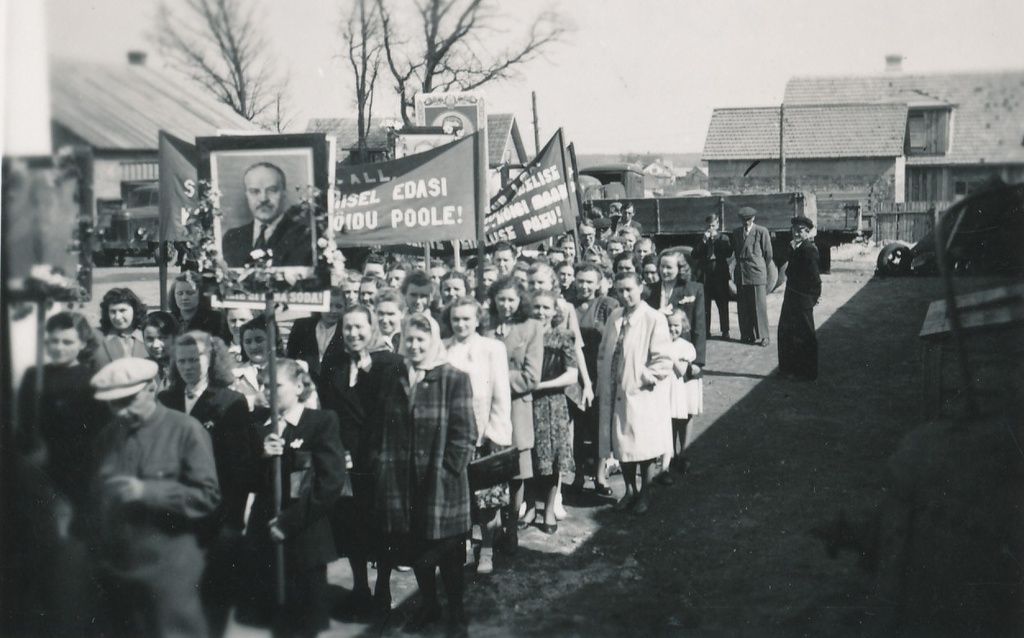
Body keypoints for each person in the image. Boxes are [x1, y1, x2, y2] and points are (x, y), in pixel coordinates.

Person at [88, 358, 220, 638]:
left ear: (152, 387)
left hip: (169, 570)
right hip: (119, 567)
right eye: (113, 404)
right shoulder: (108, 437)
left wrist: (148, 492)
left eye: (128, 400)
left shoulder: (186, 430)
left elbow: (207, 497)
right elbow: (96, 501)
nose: (121, 412)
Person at [375, 313, 476, 637]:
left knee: (447, 550)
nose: (415, 345)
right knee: (416, 549)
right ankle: (430, 604)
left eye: (421, 340)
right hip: (403, 482)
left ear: (432, 341)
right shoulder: (395, 376)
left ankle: (456, 610)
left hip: (440, 480)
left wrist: (449, 470)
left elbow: (465, 433)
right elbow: (384, 425)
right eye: (410, 339)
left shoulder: (453, 377)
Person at [239, 359, 346, 638]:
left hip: (305, 538)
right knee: (273, 622)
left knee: (305, 623)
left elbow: (330, 484)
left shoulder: (320, 422)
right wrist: (263, 456)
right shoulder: (256, 426)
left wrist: (289, 522)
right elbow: (245, 481)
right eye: (264, 385)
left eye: (276, 385)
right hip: (265, 538)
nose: (268, 391)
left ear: (299, 386)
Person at [159, 331, 253, 638]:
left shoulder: (230, 401)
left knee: (213, 593)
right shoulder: (166, 399)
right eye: (182, 360)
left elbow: (240, 470)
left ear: (211, 359)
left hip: (216, 514)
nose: (188, 366)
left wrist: (232, 522)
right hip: (175, 512)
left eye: (195, 359)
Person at [319, 304, 404, 618]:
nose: (353, 334)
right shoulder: (335, 365)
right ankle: (360, 588)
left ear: (373, 330)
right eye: (348, 328)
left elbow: (395, 415)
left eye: (359, 328)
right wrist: (337, 449)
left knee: (382, 527)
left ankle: (382, 586)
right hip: (346, 457)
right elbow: (329, 411)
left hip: (380, 458)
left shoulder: (391, 364)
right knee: (352, 525)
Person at [443, 297, 513, 575]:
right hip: (452, 437)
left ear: (477, 320)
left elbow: (501, 394)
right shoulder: (443, 348)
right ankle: (461, 549)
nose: (460, 324)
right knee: (458, 499)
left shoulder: (492, 348)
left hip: (484, 434)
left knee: (487, 499)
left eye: (466, 319)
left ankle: (486, 550)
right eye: (455, 319)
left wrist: (497, 434)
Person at [597, 272, 673, 515]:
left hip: (640, 393)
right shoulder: (615, 317)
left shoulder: (654, 318)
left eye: (629, 289)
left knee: (643, 445)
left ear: (641, 287)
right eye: (619, 291)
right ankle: (630, 490)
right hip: (615, 389)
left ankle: (645, 492)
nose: (625, 295)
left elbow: (663, 359)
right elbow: (603, 352)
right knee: (622, 444)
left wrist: (643, 378)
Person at [19, 312, 104, 509]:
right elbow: (24, 421)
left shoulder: (92, 379)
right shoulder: (34, 376)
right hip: (39, 464)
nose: (58, 348)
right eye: (54, 341)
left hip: (79, 467)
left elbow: (98, 431)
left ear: (82, 344)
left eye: (67, 342)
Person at [483, 276, 543, 554]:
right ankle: (491, 526)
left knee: (517, 472)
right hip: (487, 409)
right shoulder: (484, 325)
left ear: (520, 301)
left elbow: (531, 376)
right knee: (490, 469)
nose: (506, 305)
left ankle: (511, 528)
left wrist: (494, 378)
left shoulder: (531, 327)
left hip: (518, 408)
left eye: (511, 299)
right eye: (501, 299)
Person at [527, 290, 577, 534]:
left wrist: (542, 385)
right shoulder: (523, 335)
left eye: (546, 308)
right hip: (525, 402)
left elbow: (572, 373)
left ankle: (547, 510)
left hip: (552, 403)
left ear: (555, 311)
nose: (541, 312)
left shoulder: (563, 336)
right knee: (528, 456)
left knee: (552, 458)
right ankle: (528, 506)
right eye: (536, 307)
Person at [569, 262, 619, 496]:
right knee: (578, 427)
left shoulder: (607, 305)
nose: (584, 286)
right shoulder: (568, 304)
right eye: (580, 281)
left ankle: (600, 475)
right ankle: (578, 474)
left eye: (589, 281)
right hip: (574, 373)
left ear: (599, 283)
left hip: (600, 372)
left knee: (601, 425)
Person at [221, 162, 313, 268]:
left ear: (284, 193)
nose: (263, 199)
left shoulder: (304, 237)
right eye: (255, 192)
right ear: (247, 195)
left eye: (272, 190)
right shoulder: (232, 239)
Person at [647, 248, 706, 383]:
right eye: (662, 266)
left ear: (680, 268)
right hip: (656, 354)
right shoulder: (649, 291)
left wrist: (698, 361)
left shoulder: (693, 289)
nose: (664, 271)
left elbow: (699, 326)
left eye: (669, 267)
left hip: (682, 357)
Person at [777, 215, 822, 381]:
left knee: (806, 335)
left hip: (803, 298)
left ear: (808, 232)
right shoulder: (795, 247)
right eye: (794, 230)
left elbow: (815, 278)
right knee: (786, 332)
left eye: (800, 230)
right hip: (791, 296)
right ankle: (788, 369)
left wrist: (812, 298)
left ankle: (809, 373)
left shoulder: (809, 249)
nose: (796, 233)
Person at [659, 310, 699, 484]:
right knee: (664, 425)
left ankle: (674, 460)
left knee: (677, 421)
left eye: (676, 325)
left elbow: (681, 370)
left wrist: (667, 350)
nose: (672, 329)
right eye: (668, 325)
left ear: (683, 326)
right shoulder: (658, 343)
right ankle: (664, 463)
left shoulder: (685, 347)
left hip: (677, 389)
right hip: (661, 388)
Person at [286, 286, 347, 389]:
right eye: (328, 305)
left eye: (339, 306)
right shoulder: (302, 326)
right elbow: (290, 358)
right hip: (305, 386)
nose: (333, 311)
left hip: (335, 390)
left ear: (345, 308)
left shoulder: (347, 329)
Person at [731, 207, 774, 346]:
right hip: (742, 273)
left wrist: (759, 265)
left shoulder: (762, 231)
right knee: (743, 306)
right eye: (744, 220)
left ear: (753, 218)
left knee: (759, 306)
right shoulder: (736, 232)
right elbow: (736, 253)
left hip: (756, 272)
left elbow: (768, 254)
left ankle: (764, 336)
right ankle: (747, 334)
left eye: (749, 219)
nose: (746, 222)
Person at [691, 214, 735, 340]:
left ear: (718, 225)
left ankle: (725, 330)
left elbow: (729, 253)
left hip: (719, 274)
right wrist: (704, 241)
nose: (711, 228)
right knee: (705, 304)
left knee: (722, 303)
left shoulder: (724, 237)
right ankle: (706, 331)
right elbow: (694, 254)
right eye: (708, 226)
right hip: (705, 274)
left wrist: (716, 240)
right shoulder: (700, 238)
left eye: (713, 225)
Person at [92, 287, 149, 369]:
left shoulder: (148, 336)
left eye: (122, 310)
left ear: (135, 310)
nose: (117, 317)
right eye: (113, 311)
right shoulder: (96, 337)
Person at [169, 271, 231, 341]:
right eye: (180, 293)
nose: (184, 298)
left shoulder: (215, 319)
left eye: (190, 293)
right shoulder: (168, 320)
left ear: (200, 294)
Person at [141, 311, 181, 388]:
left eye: (162, 338)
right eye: (150, 339)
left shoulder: (185, 367)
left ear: (175, 337)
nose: (155, 345)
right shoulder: (140, 370)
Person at [374, 287, 405, 352]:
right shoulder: (369, 342)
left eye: (390, 314)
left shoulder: (408, 341)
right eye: (381, 313)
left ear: (402, 313)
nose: (385, 320)